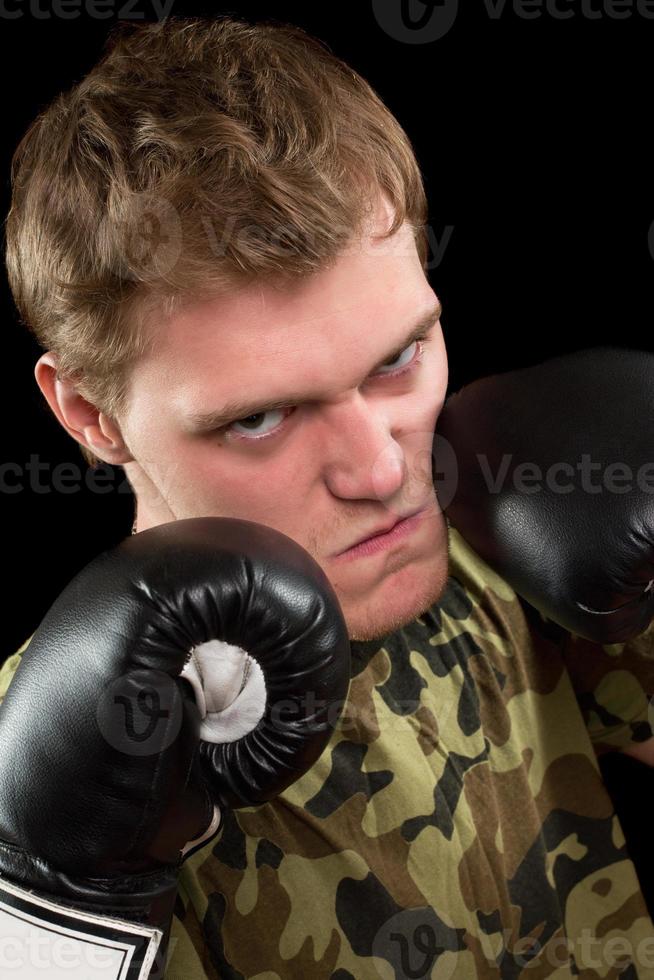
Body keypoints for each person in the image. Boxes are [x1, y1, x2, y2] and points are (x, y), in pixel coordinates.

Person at [2, 14, 653, 978]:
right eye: (260, 419)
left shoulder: (511, 548)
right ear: (91, 415)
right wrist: (56, 911)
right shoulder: (45, 770)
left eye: (399, 359)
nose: (383, 472)